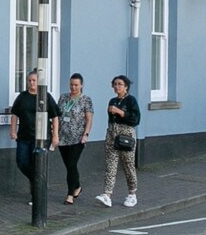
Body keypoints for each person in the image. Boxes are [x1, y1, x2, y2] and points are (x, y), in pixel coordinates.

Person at [94, 73, 142, 208]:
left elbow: (136, 119)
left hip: (126, 135)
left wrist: (121, 112)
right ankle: (107, 194)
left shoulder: (131, 100)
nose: (117, 87)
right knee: (110, 164)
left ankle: (132, 193)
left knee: (128, 164)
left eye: (120, 84)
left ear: (126, 87)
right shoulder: (112, 101)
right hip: (112, 134)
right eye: (115, 84)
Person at [7, 69, 58, 185]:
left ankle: (36, 189)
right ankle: (36, 182)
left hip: (40, 137)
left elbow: (55, 116)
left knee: (37, 163)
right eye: (29, 80)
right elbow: (14, 114)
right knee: (22, 162)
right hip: (24, 136)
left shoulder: (45, 97)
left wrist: (55, 136)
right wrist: (13, 130)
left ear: (38, 81)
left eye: (34, 80)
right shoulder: (22, 97)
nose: (32, 83)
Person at [57, 73, 95, 204]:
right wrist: (55, 133)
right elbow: (58, 116)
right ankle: (77, 186)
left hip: (77, 138)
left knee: (72, 164)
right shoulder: (63, 98)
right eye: (71, 85)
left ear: (81, 85)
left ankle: (70, 195)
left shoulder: (86, 100)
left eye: (76, 85)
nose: (73, 87)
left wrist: (86, 135)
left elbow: (89, 119)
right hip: (63, 137)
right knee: (69, 166)